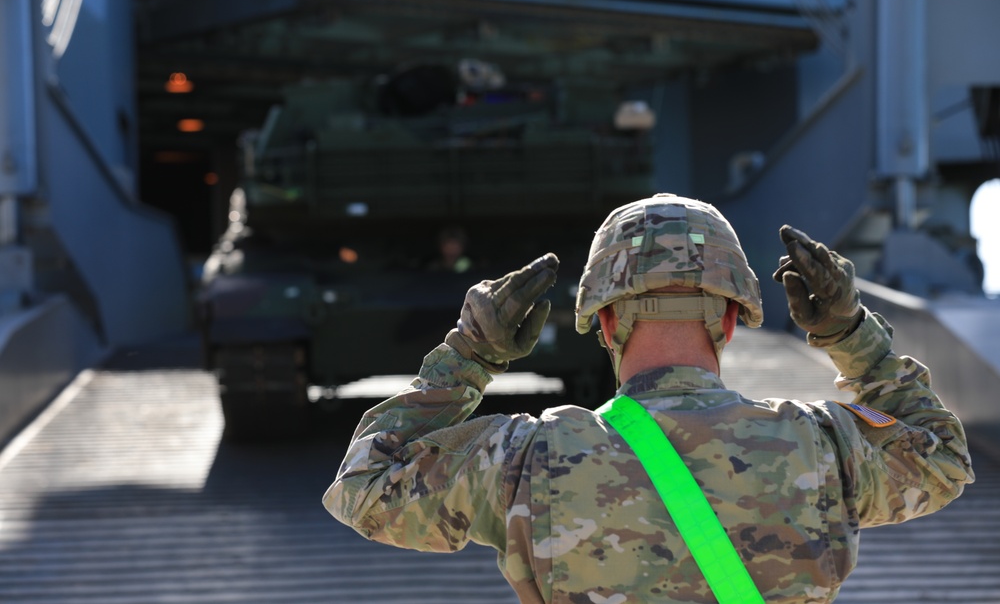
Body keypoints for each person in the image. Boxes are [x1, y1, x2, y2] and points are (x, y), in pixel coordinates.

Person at [323, 193, 975, 603]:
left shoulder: (523, 458)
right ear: (727, 322)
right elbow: (944, 459)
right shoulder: (824, 445)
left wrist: (470, 351)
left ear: (606, 325)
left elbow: (362, 485)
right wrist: (850, 334)